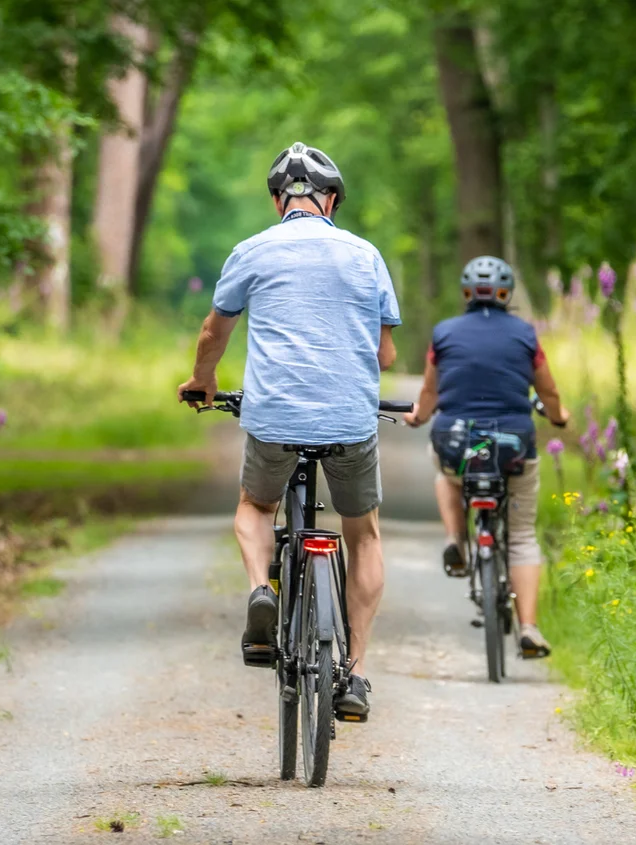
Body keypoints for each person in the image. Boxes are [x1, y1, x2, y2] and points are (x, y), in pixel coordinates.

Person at [177, 142, 400, 719]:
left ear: (279, 200)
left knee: (255, 506)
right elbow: (387, 352)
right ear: (331, 200)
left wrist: (204, 381)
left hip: (274, 416)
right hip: (350, 419)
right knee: (365, 534)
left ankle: (261, 590)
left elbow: (212, 333)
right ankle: (355, 675)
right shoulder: (365, 254)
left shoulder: (251, 250)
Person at [404, 255, 569, 658]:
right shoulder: (526, 335)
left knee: (444, 472)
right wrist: (560, 416)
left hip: (457, 442)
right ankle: (529, 627)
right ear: (506, 293)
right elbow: (547, 391)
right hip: (513, 444)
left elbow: (429, 393)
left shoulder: (444, 333)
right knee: (523, 536)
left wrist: (419, 416)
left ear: (465, 293)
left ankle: (456, 539)